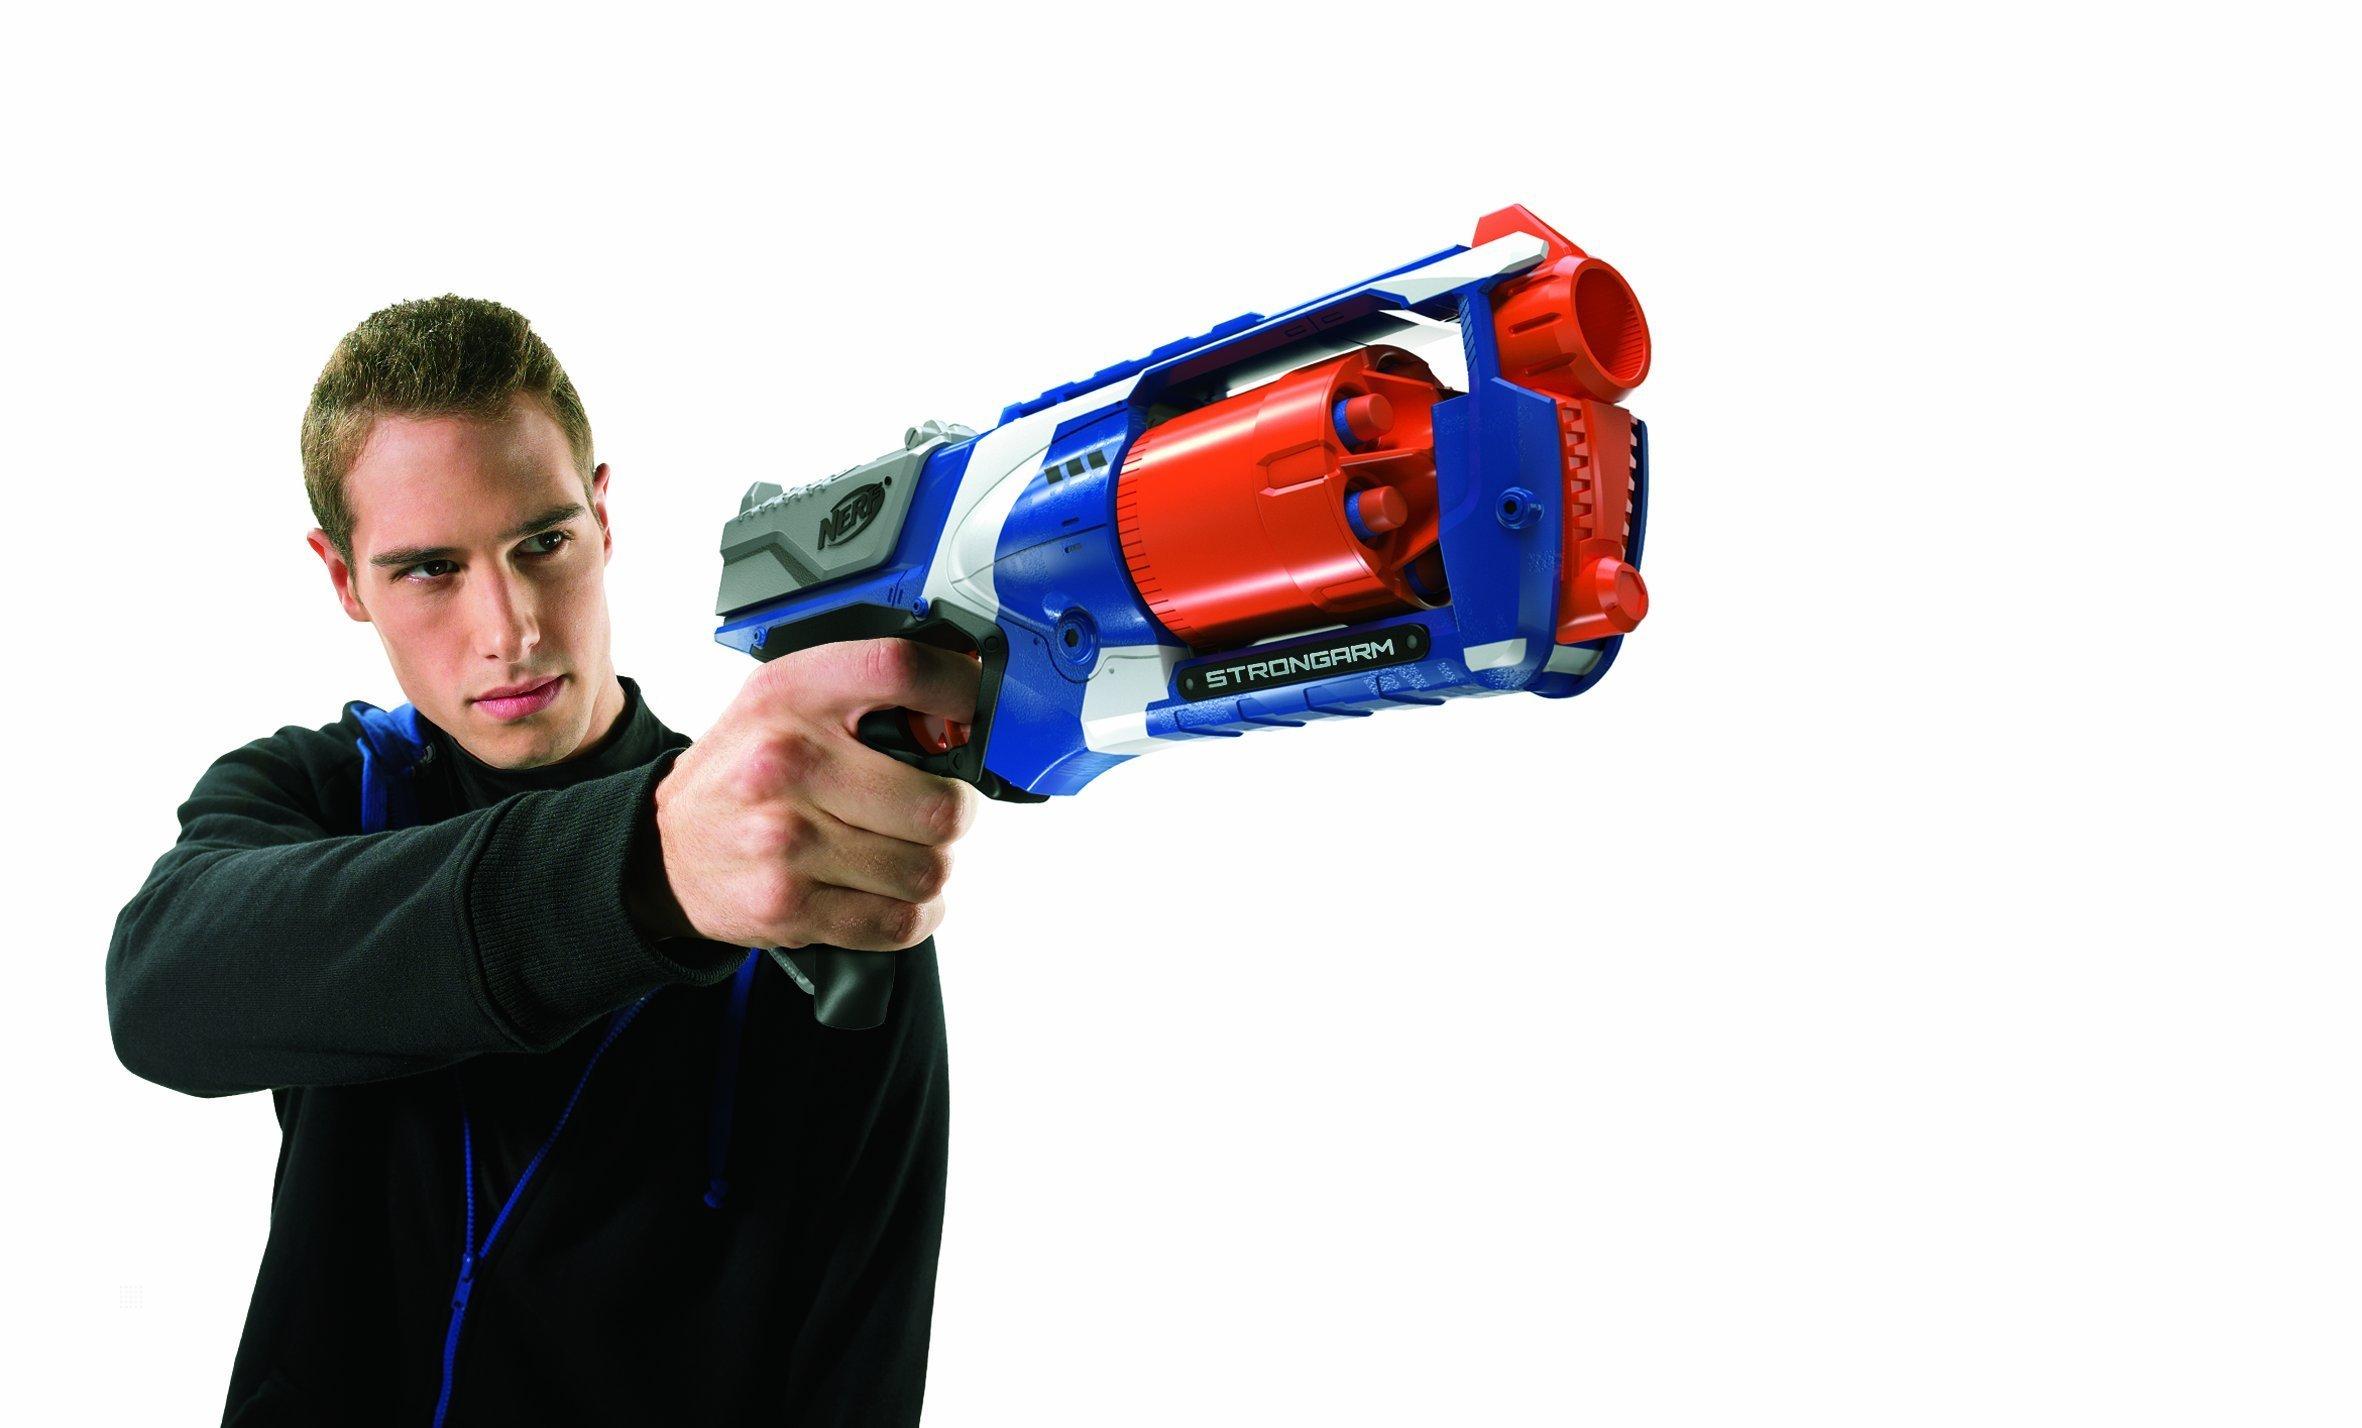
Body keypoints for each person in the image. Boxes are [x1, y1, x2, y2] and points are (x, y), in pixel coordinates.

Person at [105, 296, 980, 1426]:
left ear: (603, 517)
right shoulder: (320, 796)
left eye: (543, 543)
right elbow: (161, 995)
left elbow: (863, 1339)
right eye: (430, 569)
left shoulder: (802, 860)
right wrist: (649, 872)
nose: (509, 627)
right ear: (343, 578)